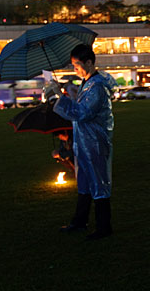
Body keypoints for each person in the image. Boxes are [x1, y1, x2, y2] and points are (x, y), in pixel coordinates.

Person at [48, 44, 117, 240]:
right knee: (85, 182)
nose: (75, 69)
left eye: (77, 65)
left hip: (94, 141)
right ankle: (80, 221)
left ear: (89, 62)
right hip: (84, 141)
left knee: (98, 182)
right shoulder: (88, 82)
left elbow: (83, 113)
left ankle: (104, 227)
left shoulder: (97, 87)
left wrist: (59, 95)